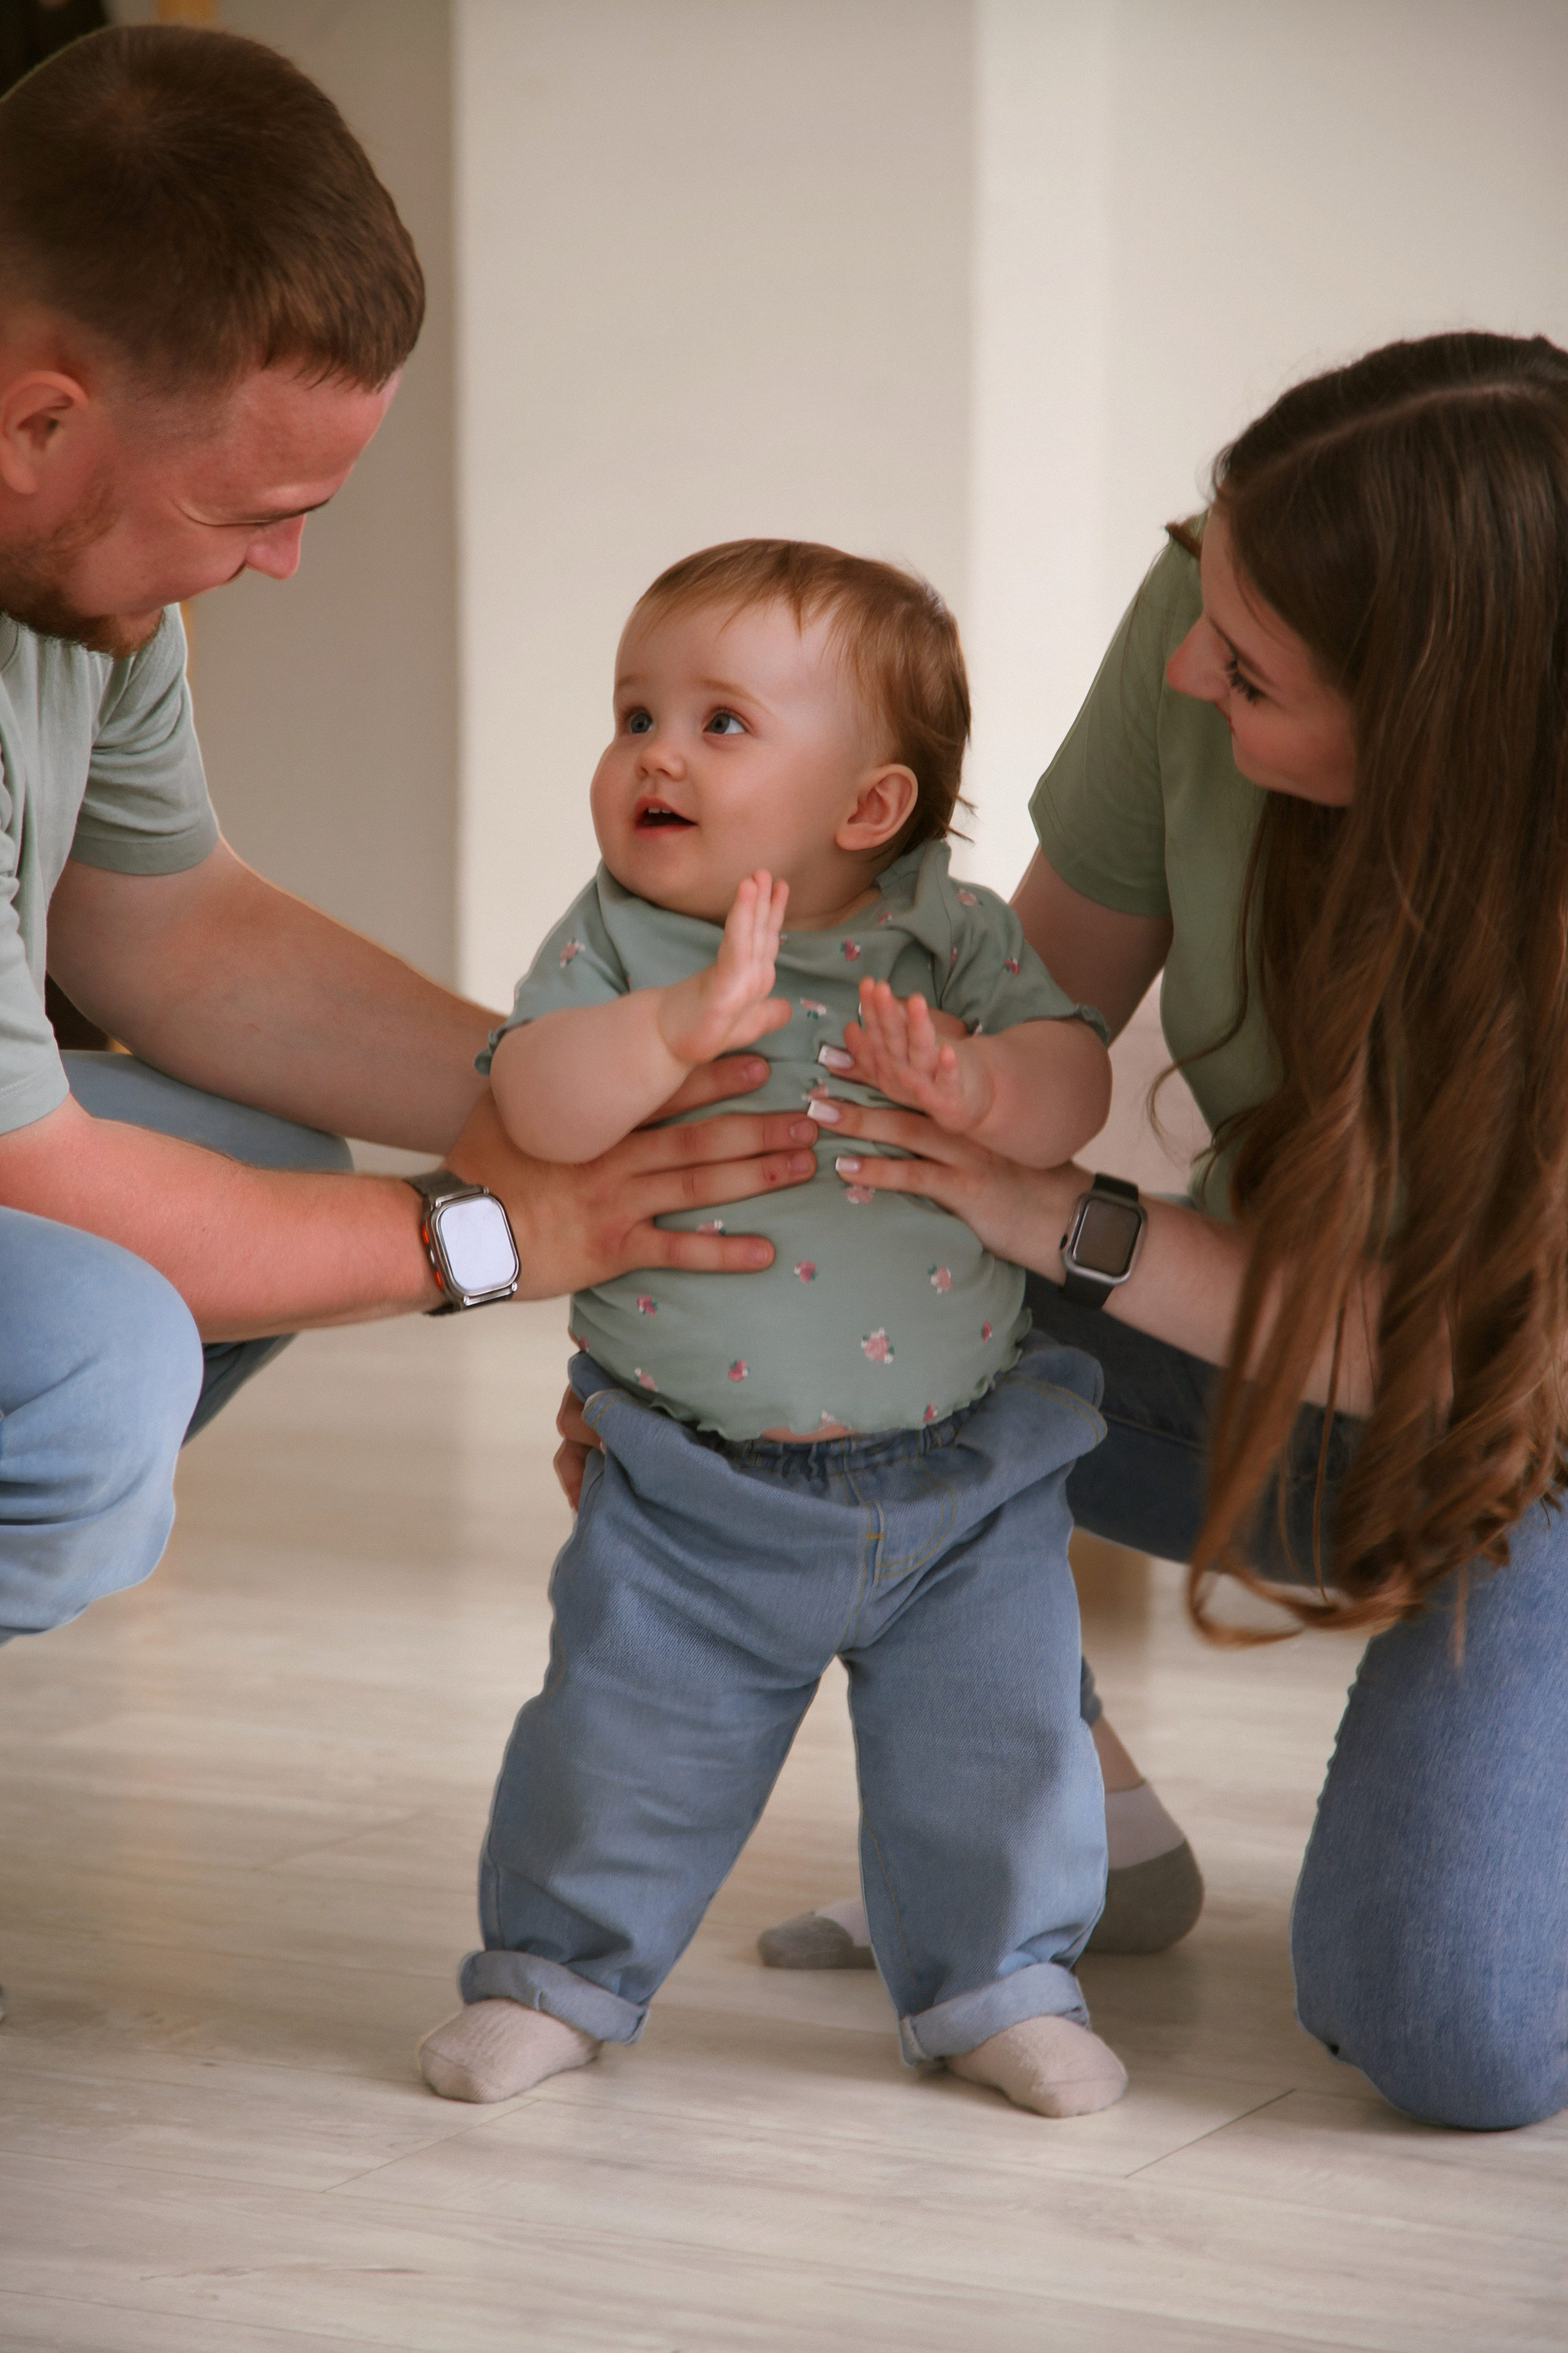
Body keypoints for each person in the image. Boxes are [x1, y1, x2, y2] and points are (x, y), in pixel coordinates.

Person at [753, 331, 1568, 2134]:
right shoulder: (1209, 604)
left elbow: (1488, 1356)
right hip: (1293, 1363)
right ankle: (1067, 1819)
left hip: (1532, 1428)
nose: (1191, 660)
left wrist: (1070, 1218)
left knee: (1456, 2034)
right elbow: (1045, 1013)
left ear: (1448, 718)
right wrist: (931, 1097)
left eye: (1256, 667)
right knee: (783, 1283)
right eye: (1207, 584)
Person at [0, 37, 826, 1806]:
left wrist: (570, 1081)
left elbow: (176, 936)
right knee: (94, 1359)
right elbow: (44, 1175)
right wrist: (494, 1235)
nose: (283, 565)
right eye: (253, 512)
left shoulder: (83, 606)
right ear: (41, 421)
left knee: (251, 1151)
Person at [416, 538, 1134, 2120]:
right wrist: (673, 1030)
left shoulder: (948, 934)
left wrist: (986, 1091)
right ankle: (557, 1974)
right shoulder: (617, 940)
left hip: (966, 1467)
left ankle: (1002, 1979)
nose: (654, 751)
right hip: (689, 1478)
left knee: (998, 1746)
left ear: (867, 809)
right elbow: (529, 1100)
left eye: (719, 722)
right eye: (634, 712)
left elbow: (1072, 1075)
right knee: (618, 1743)